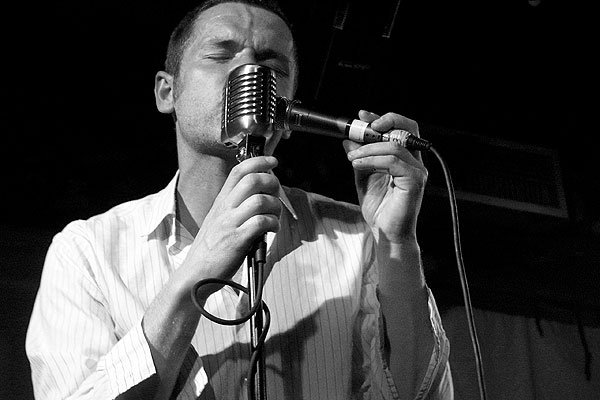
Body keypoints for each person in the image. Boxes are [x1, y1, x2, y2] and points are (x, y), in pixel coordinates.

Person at [26, 0, 453, 399]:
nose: (250, 70)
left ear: (287, 111)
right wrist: (197, 269)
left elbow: (421, 394)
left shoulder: (360, 238)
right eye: (221, 54)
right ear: (167, 92)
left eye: (271, 65)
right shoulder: (87, 250)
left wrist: (398, 243)